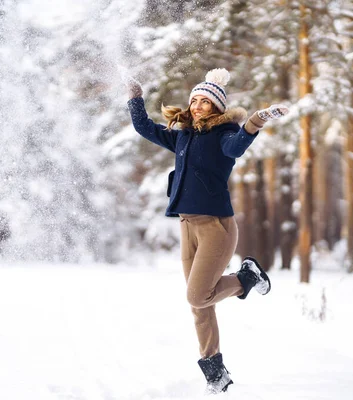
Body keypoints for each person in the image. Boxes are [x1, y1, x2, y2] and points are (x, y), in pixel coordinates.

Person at [126, 68, 288, 394]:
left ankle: (247, 278)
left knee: (197, 295)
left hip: (216, 228)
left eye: (205, 101)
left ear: (216, 107)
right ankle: (216, 374)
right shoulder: (183, 135)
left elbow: (238, 146)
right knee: (199, 305)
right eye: (195, 100)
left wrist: (256, 120)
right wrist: (135, 98)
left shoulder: (223, 135)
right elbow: (145, 128)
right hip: (188, 226)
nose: (198, 105)